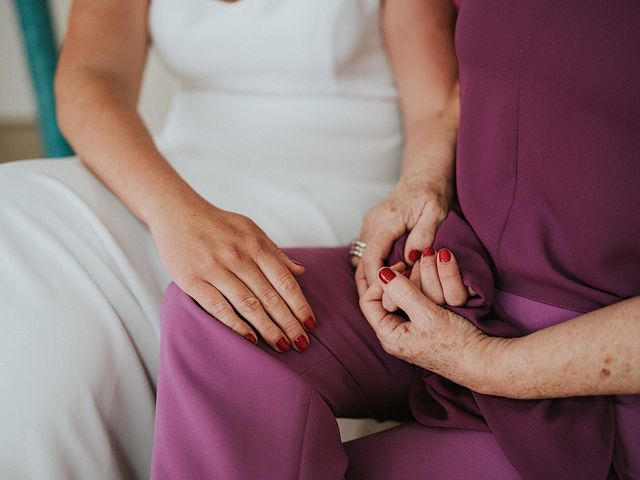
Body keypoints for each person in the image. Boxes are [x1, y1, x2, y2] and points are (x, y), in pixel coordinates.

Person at [151, 0, 640, 478]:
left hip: (592, 369)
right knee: (218, 310)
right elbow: (491, 80)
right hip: (463, 284)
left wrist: (489, 364)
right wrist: (424, 181)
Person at [0, 0, 458, 478]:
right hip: (171, 181)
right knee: (13, 220)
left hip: (328, 194)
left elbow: (432, 110)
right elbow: (92, 76)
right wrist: (177, 215)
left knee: (157, 318)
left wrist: (412, 208)